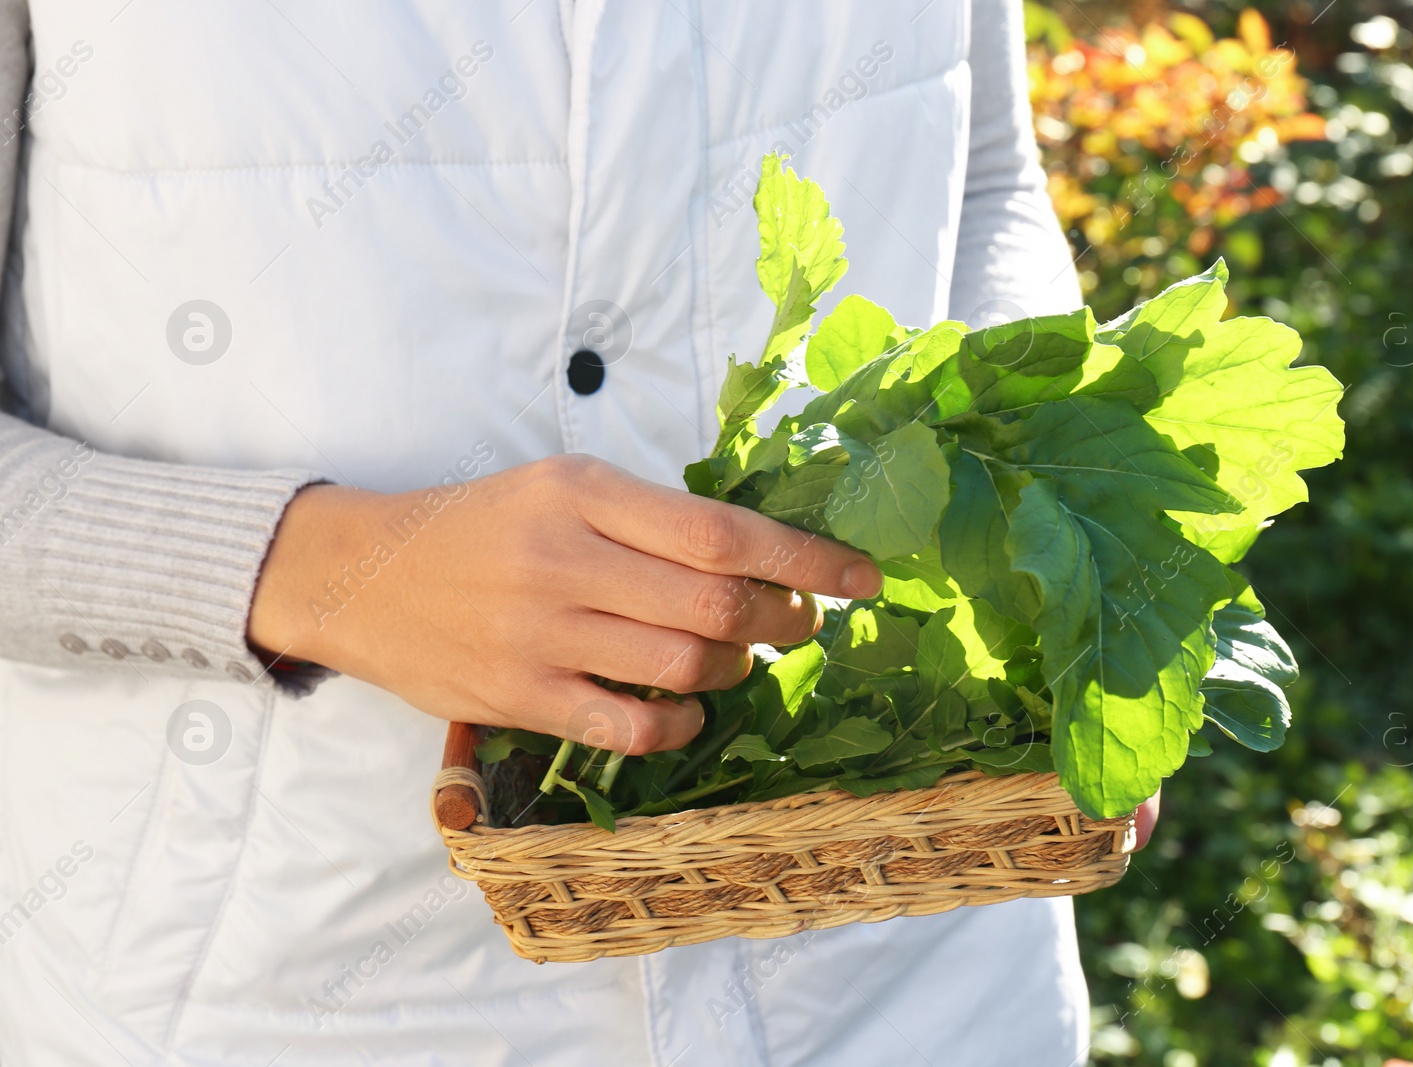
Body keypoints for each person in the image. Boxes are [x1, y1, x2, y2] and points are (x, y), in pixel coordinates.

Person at [0, 2, 1143, 1062]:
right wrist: (320, 571)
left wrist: (1060, 535)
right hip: (284, 1003)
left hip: (916, 977)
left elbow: (980, 169)